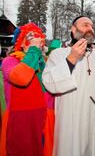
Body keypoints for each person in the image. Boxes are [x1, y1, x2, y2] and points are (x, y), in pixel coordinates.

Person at [42, 16, 95, 156]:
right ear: (73, 30)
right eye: (85, 25)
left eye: (92, 26)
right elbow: (49, 83)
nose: (90, 29)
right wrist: (72, 58)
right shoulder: (58, 54)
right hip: (71, 120)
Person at [0, 23, 54, 156]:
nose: (36, 39)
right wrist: (34, 50)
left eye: (38, 37)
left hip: (41, 122)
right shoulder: (10, 61)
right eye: (30, 36)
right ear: (22, 43)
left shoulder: (44, 63)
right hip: (19, 122)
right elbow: (20, 78)